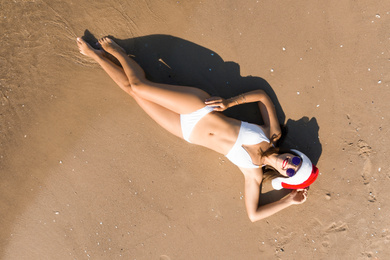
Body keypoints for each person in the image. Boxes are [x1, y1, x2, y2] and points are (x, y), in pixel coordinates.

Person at [76, 36, 318, 222]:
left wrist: (289, 200)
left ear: (285, 177)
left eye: (292, 171)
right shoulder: (272, 135)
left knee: (132, 92)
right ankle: (118, 53)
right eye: (296, 161)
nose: (290, 164)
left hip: (186, 131)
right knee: (140, 86)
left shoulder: (253, 174)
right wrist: (229, 102)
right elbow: (263, 97)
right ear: (295, 154)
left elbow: (253, 215)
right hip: (200, 108)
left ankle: (97, 56)